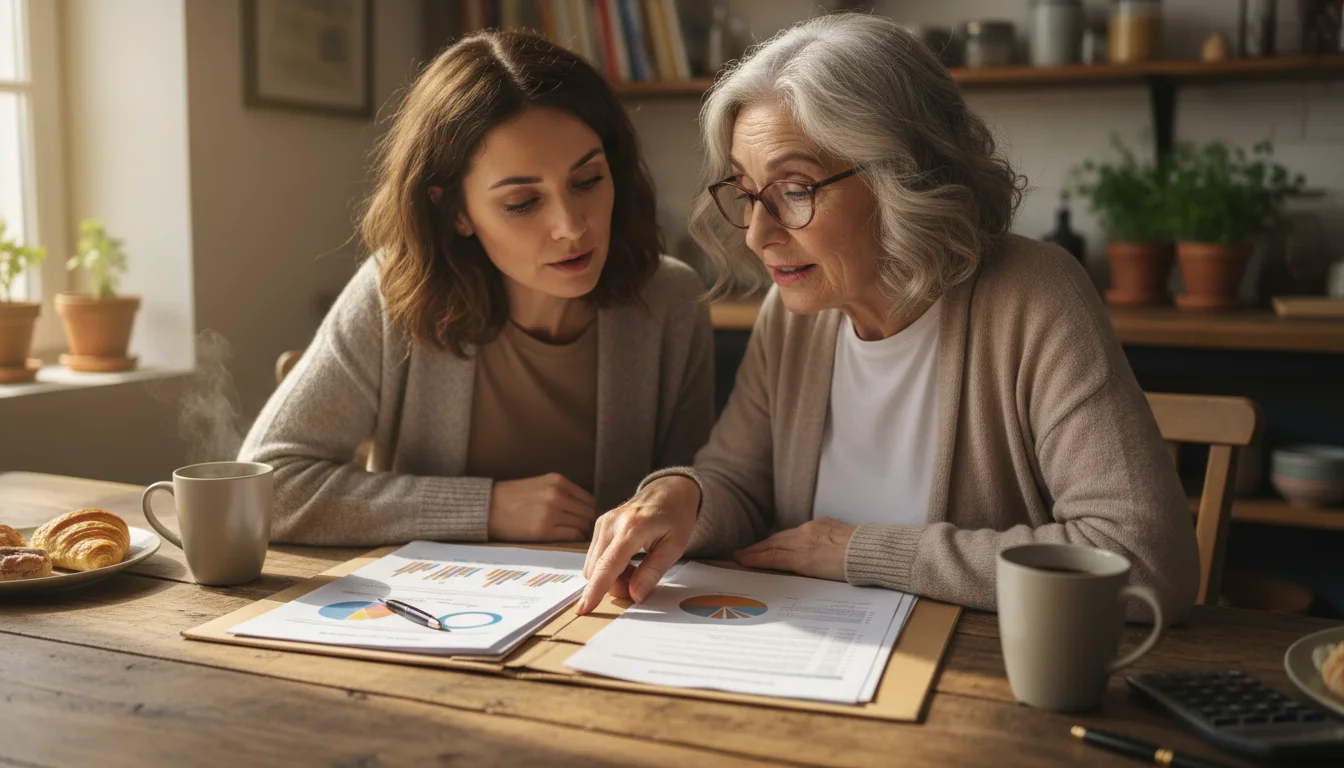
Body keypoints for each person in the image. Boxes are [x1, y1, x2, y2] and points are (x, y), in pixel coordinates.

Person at [577, 14, 1199, 621]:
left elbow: (1143, 560)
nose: (759, 235)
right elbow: (741, 480)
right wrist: (682, 496)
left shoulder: (1033, 296)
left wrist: (863, 552)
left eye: (795, 190)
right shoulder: (795, 313)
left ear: (903, 177)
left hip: (982, 678)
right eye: (746, 193)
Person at [240, 31, 713, 546]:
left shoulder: (671, 300)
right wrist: (482, 508)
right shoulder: (394, 291)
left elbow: (702, 501)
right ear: (456, 210)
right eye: (522, 203)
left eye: (587, 180)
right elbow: (265, 487)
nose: (572, 227)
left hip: (608, 614)